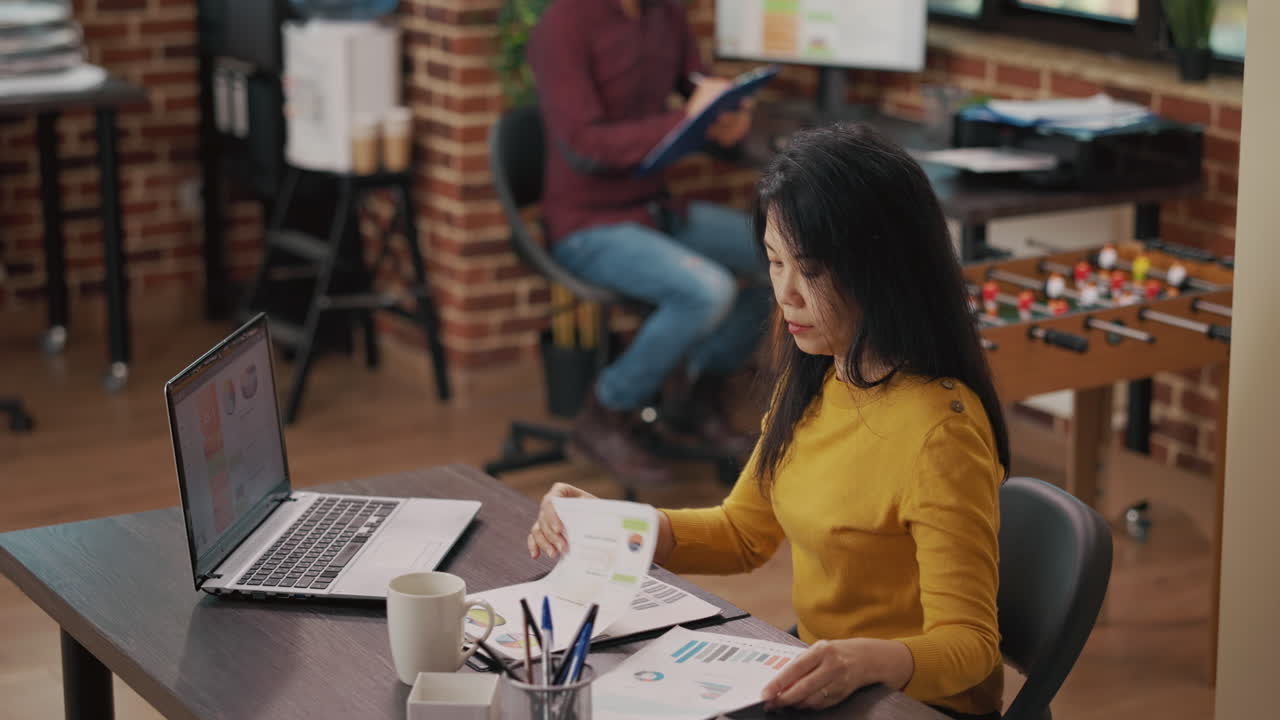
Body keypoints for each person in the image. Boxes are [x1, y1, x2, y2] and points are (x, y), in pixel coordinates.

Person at [525, 123, 1010, 720]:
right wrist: (615, 526)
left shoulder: (941, 433)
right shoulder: (816, 378)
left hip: (913, 704)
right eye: (775, 263)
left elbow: (969, 648)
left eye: (808, 269)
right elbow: (742, 533)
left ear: (880, 269)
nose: (785, 294)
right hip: (825, 680)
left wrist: (866, 661)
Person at [529, 0, 771, 486]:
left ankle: (692, 398)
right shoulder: (563, 25)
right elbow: (584, 146)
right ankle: (604, 413)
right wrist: (685, 119)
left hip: (656, 209)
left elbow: (698, 100)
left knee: (780, 256)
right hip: (587, 222)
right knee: (707, 291)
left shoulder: (667, 16)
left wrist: (727, 125)